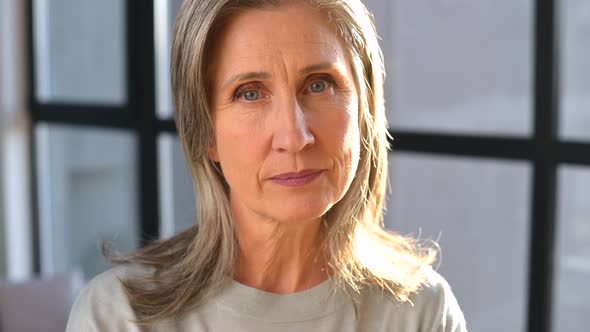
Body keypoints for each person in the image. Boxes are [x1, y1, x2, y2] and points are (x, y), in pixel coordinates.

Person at [66, 0, 467, 331]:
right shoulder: (119, 316)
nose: (295, 137)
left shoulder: (422, 312)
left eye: (319, 84)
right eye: (250, 93)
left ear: (364, 109)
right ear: (206, 132)